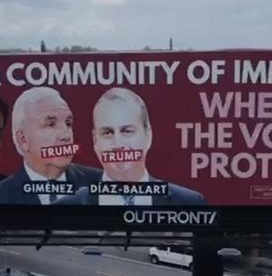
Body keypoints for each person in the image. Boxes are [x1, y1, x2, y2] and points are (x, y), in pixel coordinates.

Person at [56, 87, 205, 206]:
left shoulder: (189, 203)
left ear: (148, 135)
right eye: (107, 132)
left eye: (127, 131)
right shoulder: (66, 208)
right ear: (95, 141)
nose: (118, 144)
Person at [0, 87, 101, 205]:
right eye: (51, 124)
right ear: (23, 140)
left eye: (68, 123)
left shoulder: (100, 182)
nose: (66, 135)